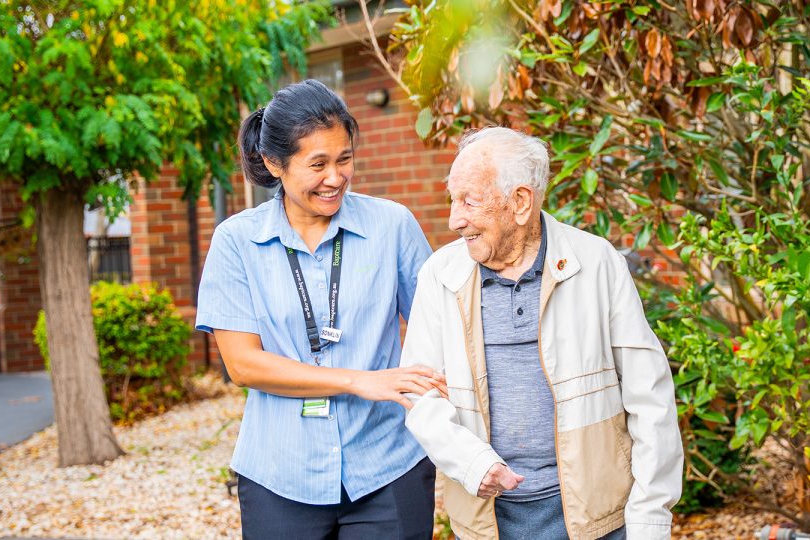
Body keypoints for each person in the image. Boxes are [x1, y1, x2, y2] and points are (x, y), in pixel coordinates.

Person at [400, 127, 683, 540]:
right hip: (488, 520)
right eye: (452, 200)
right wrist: (472, 462)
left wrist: (649, 520)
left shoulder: (596, 262)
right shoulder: (441, 275)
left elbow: (650, 397)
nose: (454, 219)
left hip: (597, 518)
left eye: (469, 201)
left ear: (520, 202)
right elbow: (418, 391)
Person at [195, 79, 445, 540]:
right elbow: (243, 364)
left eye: (344, 159)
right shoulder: (236, 241)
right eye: (318, 164)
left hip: (389, 466)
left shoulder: (393, 225)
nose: (335, 178)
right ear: (275, 163)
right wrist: (358, 380)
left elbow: (444, 329)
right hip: (279, 474)